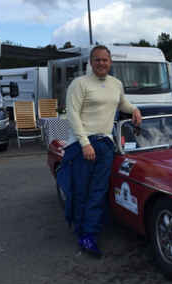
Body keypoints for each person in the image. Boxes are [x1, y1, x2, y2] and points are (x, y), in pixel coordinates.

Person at [57, 45, 142, 258]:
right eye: (97, 60)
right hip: (82, 144)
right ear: (91, 62)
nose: (101, 63)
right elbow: (73, 114)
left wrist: (134, 110)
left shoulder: (116, 84)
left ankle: (91, 233)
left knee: (98, 191)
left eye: (105, 60)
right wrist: (85, 143)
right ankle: (83, 234)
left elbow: (121, 103)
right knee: (81, 191)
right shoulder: (79, 84)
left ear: (110, 62)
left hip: (105, 144)